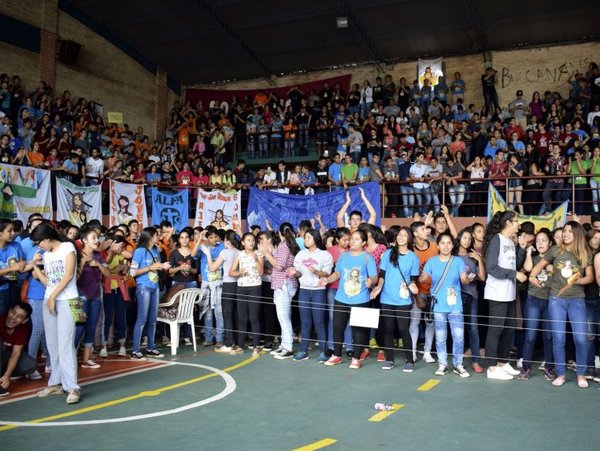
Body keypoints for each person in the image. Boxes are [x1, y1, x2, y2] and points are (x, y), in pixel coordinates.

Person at [529, 221, 593, 388]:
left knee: (581, 339)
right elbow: (537, 268)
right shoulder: (555, 250)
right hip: (556, 300)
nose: (565, 234)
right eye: (564, 231)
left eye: (569, 232)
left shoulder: (584, 252)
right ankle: (561, 374)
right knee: (558, 338)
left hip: (577, 300)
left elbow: (590, 277)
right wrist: (532, 277)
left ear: (577, 234)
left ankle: (581, 374)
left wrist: (579, 280)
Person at [30, 223, 81, 404]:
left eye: (38, 243)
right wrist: (35, 267)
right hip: (50, 300)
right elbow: (48, 281)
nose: (38, 246)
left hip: (68, 300)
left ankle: (72, 387)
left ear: (46, 238)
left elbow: (68, 276)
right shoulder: (47, 255)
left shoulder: (68, 247)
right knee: (53, 345)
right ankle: (55, 383)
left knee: (66, 344)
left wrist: (52, 296)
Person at [319, 229, 378, 369]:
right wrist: (326, 280)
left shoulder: (367, 257)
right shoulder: (344, 256)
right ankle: (337, 356)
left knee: (359, 331)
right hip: (341, 298)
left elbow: (374, 276)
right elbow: (337, 274)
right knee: (337, 327)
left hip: (361, 300)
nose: (352, 241)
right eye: (352, 238)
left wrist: (371, 281)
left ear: (363, 242)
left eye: (357, 239)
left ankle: (356, 358)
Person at [420, 233, 472, 378]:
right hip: (438, 306)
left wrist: (465, 279)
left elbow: (465, 281)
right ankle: (442, 364)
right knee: (441, 336)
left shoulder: (458, 261)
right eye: (442, 243)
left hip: (455, 305)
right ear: (438, 245)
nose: (446, 246)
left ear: (453, 245)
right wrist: (423, 278)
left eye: (449, 243)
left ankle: (458, 364)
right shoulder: (431, 261)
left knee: (459, 336)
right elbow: (422, 278)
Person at [484, 211, 527, 381]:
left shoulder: (510, 241)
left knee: (509, 329)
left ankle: (503, 362)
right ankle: (492, 368)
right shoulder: (496, 240)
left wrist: (522, 250)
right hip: (497, 293)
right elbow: (492, 268)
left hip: (509, 293)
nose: (518, 224)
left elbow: (513, 265)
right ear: (508, 223)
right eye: (516, 221)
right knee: (495, 330)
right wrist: (515, 274)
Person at [370, 227, 419, 371]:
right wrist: (378, 287)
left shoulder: (413, 257)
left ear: (409, 239)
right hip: (386, 298)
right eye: (399, 235)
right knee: (388, 329)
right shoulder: (387, 254)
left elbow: (413, 279)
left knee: (404, 329)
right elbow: (382, 276)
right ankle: (389, 359)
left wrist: (414, 286)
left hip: (403, 298)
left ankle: (409, 360)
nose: (401, 237)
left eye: (405, 235)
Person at [288, 229, 333, 362]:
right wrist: (294, 272)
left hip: (319, 291)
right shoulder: (301, 254)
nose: (305, 240)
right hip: (304, 291)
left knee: (319, 322)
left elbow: (327, 274)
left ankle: (323, 353)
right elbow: (299, 273)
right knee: (305, 322)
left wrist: (316, 271)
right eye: (305, 237)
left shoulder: (325, 255)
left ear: (315, 239)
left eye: (308, 237)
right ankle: (303, 351)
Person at [258, 223, 299, 360]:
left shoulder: (284, 245)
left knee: (283, 316)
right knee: (282, 316)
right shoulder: (286, 245)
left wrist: (265, 253)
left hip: (284, 284)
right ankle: (284, 344)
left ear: (279, 234)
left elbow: (279, 265)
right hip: (283, 284)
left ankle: (288, 347)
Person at [520, 229, 556, 381]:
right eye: (538, 240)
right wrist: (528, 253)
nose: (541, 243)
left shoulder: (554, 259)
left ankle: (548, 367)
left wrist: (552, 269)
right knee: (530, 336)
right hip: (533, 300)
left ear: (550, 243)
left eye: (544, 240)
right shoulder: (534, 258)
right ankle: (526, 367)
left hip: (550, 302)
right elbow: (528, 269)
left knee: (548, 337)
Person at [129, 227, 170, 360]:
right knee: (142, 318)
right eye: (156, 235)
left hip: (155, 286)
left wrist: (162, 266)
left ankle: (150, 348)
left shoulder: (155, 250)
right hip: (144, 287)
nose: (158, 236)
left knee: (152, 319)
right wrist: (150, 268)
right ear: (150, 236)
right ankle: (135, 350)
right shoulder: (139, 251)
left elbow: (156, 267)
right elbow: (132, 272)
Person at [75, 227, 110, 369]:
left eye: (98, 238)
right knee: (78, 326)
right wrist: (83, 262)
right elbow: (73, 278)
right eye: (94, 238)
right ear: (84, 240)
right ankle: (69, 357)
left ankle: (86, 359)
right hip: (78, 296)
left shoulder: (99, 255)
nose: (97, 241)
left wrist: (98, 265)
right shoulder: (76, 255)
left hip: (96, 295)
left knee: (91, 325)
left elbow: (107, 274)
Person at [201, 230, 239, 353]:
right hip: (239, 285)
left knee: (227, 315)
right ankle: (237, 342)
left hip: (227, 285)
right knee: (236, 314)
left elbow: (212, 268)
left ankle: (228, 343)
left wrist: (207, 254)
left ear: (227, 241)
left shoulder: (225, 252)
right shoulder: (239, 252)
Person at [455, 228, 486, 373]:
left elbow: (482, 277)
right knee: (458, 330)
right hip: (457, 297)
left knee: (473, 329)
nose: (466, 241)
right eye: (464, 238)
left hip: (472, 296)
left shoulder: (473, 256)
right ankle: (458, 361)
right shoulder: (453, 256)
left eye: (469, 238)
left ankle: (475, 361)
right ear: (459, 238)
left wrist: (479, 259)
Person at [229, 232, 264, 357]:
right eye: (248, 240)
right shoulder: (239, 254)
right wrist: (239, 273)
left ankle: (256, 346)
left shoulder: (259, 254)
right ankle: (240, 346)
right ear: (243, 242)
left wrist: (256, 260)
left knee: (254, 318)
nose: (251, 242)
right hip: (242, 287)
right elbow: (231, 272)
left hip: (255, 287)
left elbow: (261, 272)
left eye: (253, 240)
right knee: (242, 318)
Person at [0, 302, 36, 397]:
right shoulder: (0, 320)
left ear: (25, 320)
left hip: (5, 357)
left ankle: (3, 376)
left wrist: (7, 375)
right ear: (9, 311)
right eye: (13, 312)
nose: (13, 317)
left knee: (30, 365)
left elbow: (16, 353)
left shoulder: (22, 329)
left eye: (19, 316)